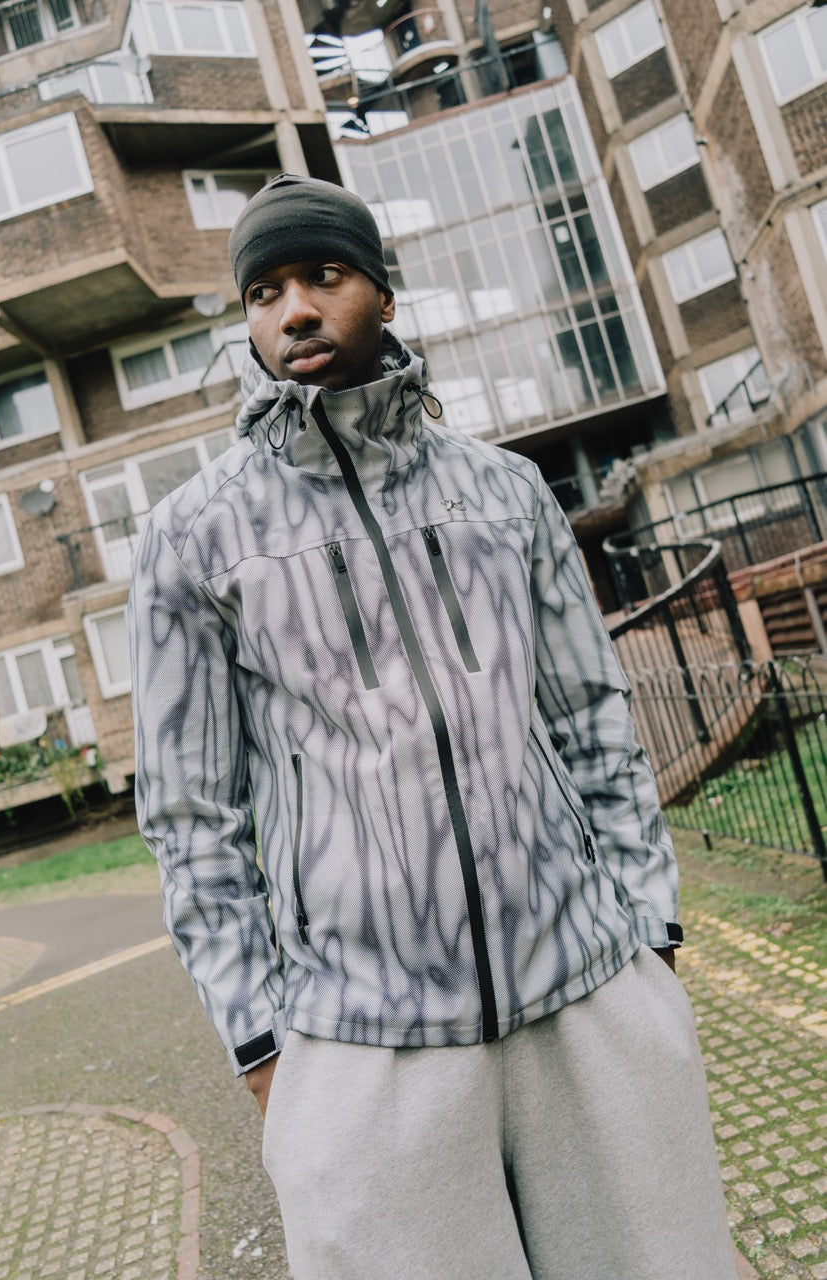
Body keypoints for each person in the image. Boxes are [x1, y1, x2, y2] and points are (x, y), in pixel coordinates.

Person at [129, 173, 737, 1280]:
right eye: (264, 292)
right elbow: (189, 815)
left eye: (324, 275)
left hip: (586, 994)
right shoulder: (191, 538)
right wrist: (264, 1049)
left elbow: (591, 717)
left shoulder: (507, 493)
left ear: (383, 293)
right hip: (362, 1043)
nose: (295, 310)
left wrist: (647, 932)